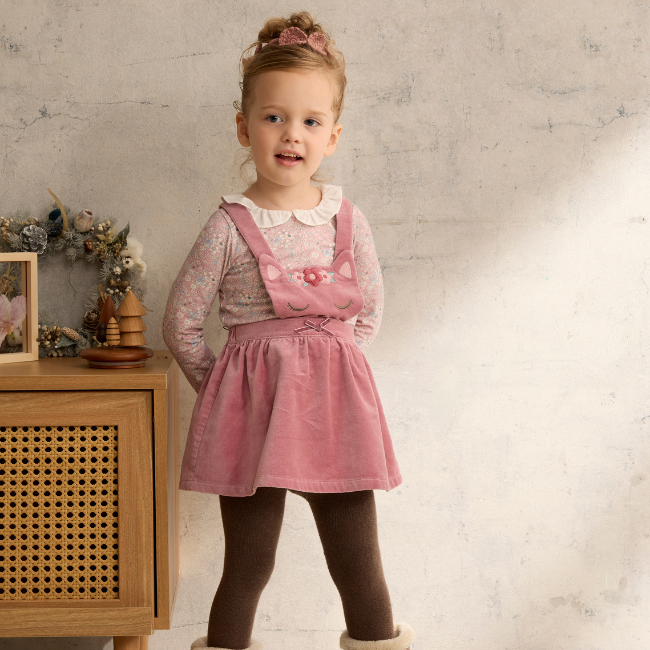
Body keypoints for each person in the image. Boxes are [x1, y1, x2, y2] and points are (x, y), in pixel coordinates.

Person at [163, 11, 415, 650]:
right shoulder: (228, 226)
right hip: (251, 420)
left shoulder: (347, 219)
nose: (291, 134)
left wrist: (329, 369)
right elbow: (181, 323)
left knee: (359, 568)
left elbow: (368, 312)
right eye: (274, 117)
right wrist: (225, 391)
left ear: (333, 135)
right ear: (243, 127)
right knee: (248, 567)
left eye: (310, 121)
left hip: (336, 417)